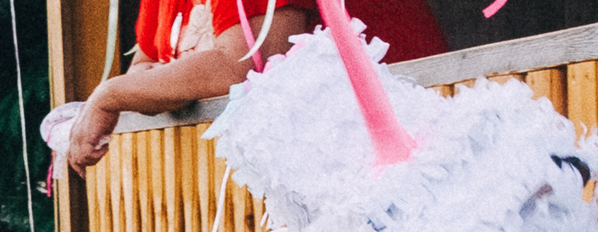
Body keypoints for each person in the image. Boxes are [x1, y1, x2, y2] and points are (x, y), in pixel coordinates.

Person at [63, 0, 447, 173]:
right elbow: (145, 66)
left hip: (407, 158)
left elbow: (245, 66)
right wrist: (122, 92)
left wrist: (108, 96)